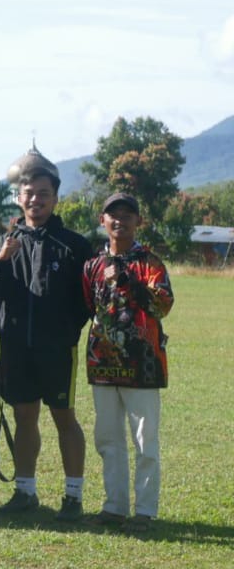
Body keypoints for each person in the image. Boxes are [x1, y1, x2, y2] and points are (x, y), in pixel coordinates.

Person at [0, 145, 94, 518]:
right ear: (19, 197)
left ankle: (73, 496)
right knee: (24, 417)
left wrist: (65, 330)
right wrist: (1, 262)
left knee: (65, 418)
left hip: (58, 349)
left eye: (44, 194)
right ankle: (25, 492)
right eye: (29, 194)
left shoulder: (75, 245)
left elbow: (87, 299)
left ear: (55, 198)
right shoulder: (3, 243)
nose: (36, 200)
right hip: (16, 348)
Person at [83, 192, 173, 531]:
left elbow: (162, 306)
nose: (119, 220)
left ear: (139, 221)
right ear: (102, 221)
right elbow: (88, 305)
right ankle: (114, 507)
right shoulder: (92, 265)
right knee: (108, 439)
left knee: (144, 440)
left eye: (127, 214)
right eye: (112, 215)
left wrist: (130, 283)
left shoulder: (150, 263)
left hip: (144, 363)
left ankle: (145, 512)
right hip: (102, 363)